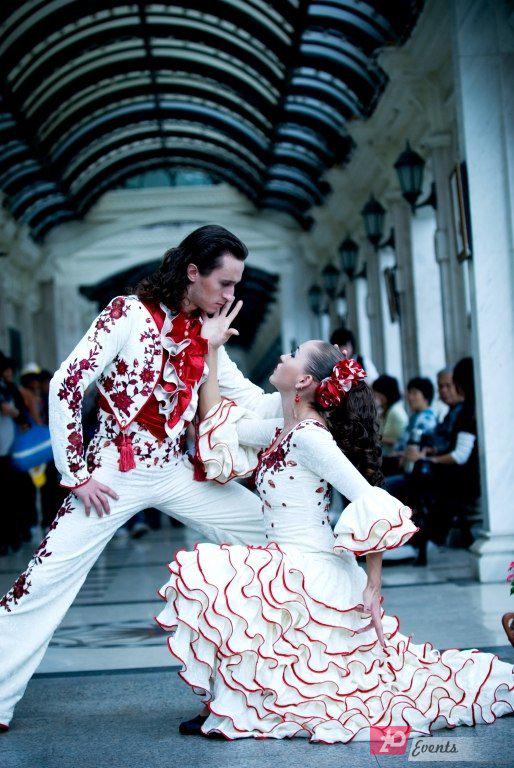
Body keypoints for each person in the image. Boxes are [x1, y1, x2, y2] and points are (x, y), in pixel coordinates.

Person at [156, 340, 514, 743]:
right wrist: (211, 348)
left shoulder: (311, 438)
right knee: (229, 603)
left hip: (310, 564)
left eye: (292, 356)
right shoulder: (283, 428)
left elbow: (371, 498)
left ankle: (232, 707)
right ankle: (229, 705)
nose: (282, 358)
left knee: (208, 577)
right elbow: (223, 424)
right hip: (285, 559)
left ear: (305, 380)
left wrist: (373, 584)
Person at [0, 224, 281, 732]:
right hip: (114, 468)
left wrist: (314, 398)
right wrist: (76, 472)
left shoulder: (207, 330)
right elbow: (67, 381)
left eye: (237, 285)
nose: (232, 295)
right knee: (43, 581)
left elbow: (246, 396)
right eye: (225, 283)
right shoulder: (128, 313)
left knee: (271, 529)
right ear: (193, 272)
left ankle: (283, 671)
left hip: (173, 468)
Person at [372, 374, 408, 475]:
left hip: (394, 460)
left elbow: (399, 440)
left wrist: (375, 437)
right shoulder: (386, 411)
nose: (373, 398)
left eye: (375, 394)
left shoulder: (396, 412)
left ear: (383, 396)